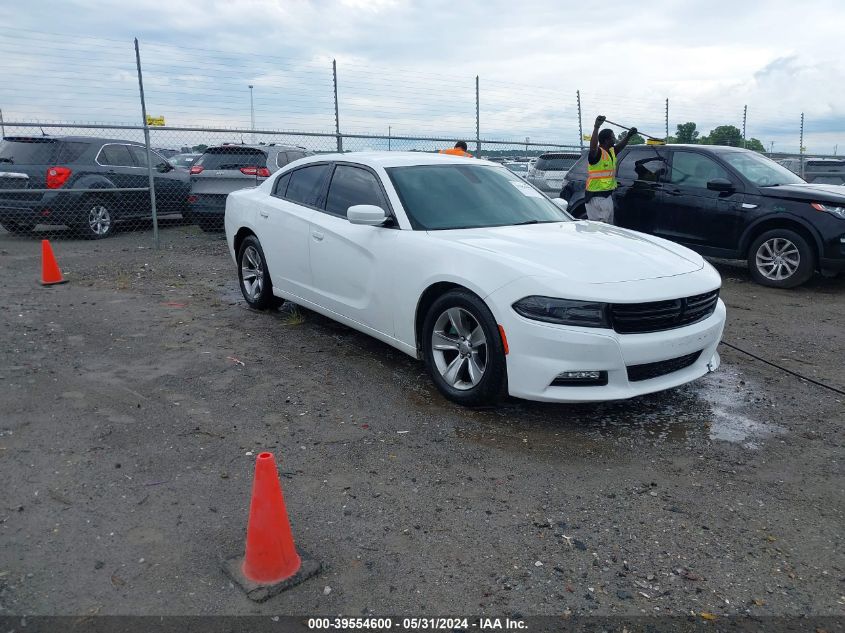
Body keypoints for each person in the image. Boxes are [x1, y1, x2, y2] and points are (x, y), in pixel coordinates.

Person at [585, 115, 636, 224]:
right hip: (596, 199)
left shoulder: (611, 152)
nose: (615, 139)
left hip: (606, 197)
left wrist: (629, 135)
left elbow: (620, 146)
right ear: (607, 140)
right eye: (613, 137)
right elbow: (593, 147)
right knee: (597, 230)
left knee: (608, 229)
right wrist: (596, 127)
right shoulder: (597, 153)